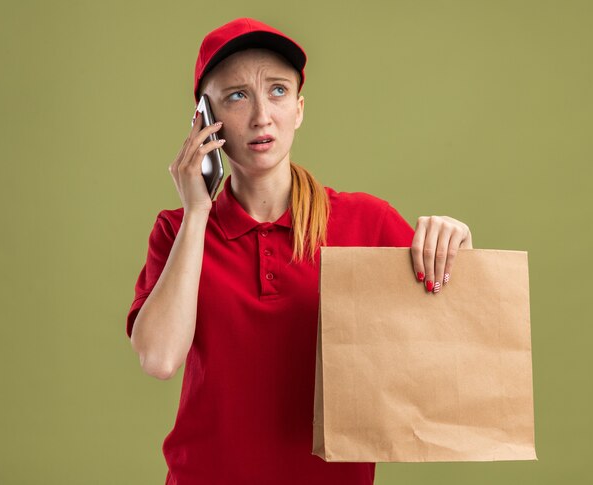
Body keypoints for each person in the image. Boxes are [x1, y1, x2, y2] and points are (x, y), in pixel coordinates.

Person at [126, 17, 473, 485]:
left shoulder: (365, 222)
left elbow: (453, 332)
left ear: (299, 108)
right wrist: (196, 213)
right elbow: (160, 360)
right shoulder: (177, 232)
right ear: (204, 121)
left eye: (277, 91)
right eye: (236, 96)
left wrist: (457, 246)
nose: (260, 117)